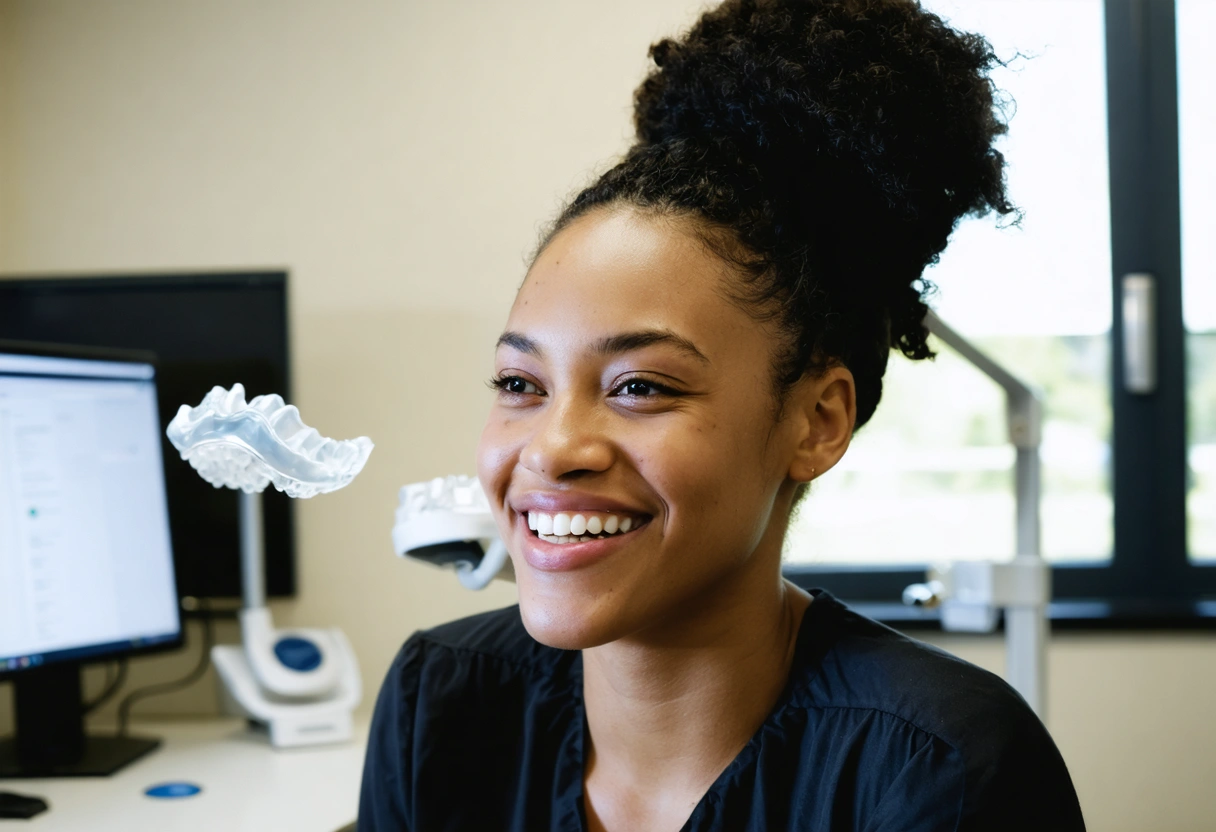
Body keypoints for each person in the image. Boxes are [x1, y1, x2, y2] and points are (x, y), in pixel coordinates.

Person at [359, 0, 1086, 829]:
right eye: (521, 384)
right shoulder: (439, 703)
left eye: (640, 387)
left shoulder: (942, 770)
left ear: (817, 421)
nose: (554, 448)